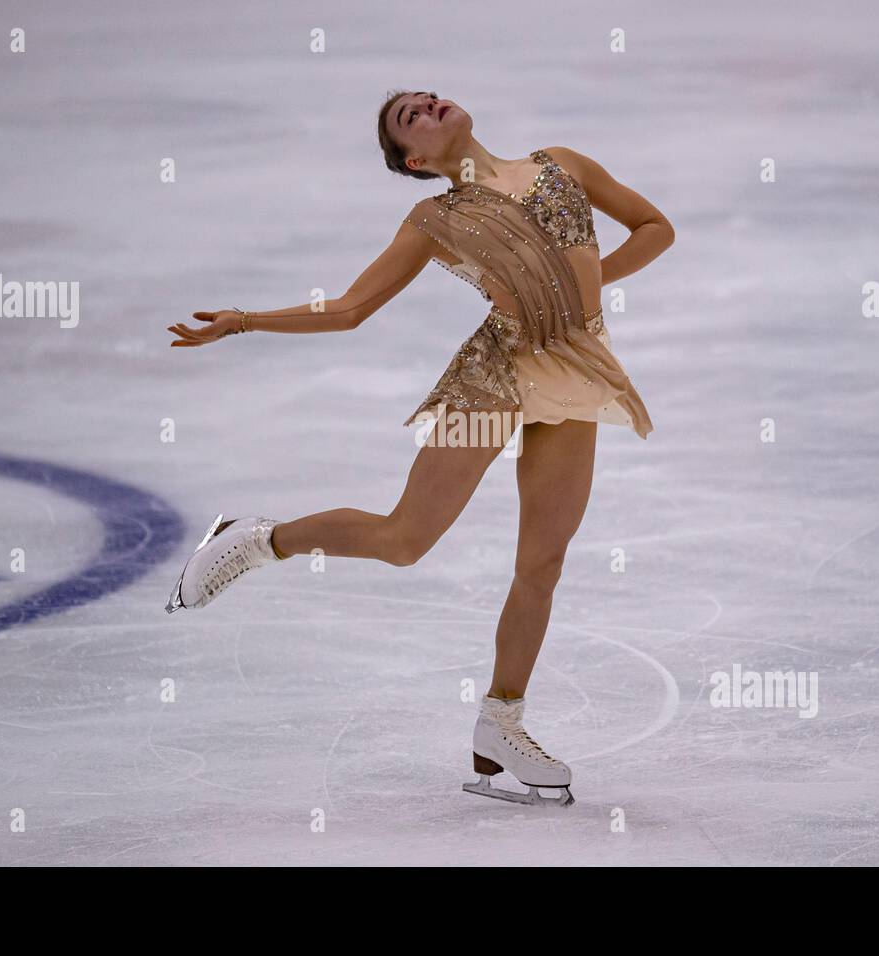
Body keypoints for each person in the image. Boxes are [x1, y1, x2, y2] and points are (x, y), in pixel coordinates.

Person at [164, 90, 674, 806]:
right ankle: (257, 540)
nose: (429, 105)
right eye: (411, 116)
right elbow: (349, 309)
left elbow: (656, 228)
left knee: (544, 560)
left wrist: (577, 287)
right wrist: (244, 321)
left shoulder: (562, 164)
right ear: (416, 159)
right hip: (494, 377)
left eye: (429, 97)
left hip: (577, 369)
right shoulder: (436, 218)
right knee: (406, 539)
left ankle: (501, 722)